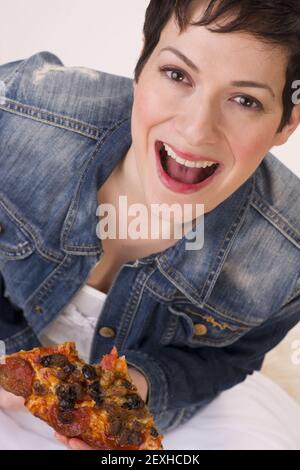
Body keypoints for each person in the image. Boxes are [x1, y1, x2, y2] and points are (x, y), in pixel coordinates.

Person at [0, 0, 300, 450]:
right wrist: (15, 360)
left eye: (245, 100)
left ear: (287, 121)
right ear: (143, 60)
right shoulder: (16, 112)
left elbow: (229, 359)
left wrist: (129, 392)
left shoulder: (289, 255)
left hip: (157, 408)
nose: (197, 131)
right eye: (178, 75)